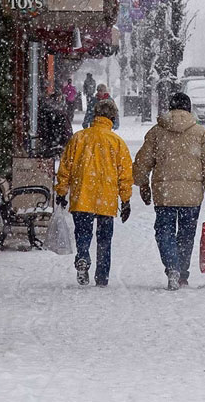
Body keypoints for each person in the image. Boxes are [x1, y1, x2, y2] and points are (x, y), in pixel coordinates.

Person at [133, 91, 205, 290]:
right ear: (189, 109)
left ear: (170, 108)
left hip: (165, 193)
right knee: (186, 235)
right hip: (191, 195)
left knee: (164, 232)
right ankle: (182, 274)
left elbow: (142, 162)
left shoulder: (156, 132)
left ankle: (172, 267)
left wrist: (143, 184)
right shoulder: (200, 133)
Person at [55, 98, 133, 287]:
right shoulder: (117, 142)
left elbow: (65, 167)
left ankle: (83, 257)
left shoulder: (79, 138)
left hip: (82, 195)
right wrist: (126, 199)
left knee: (83, 233)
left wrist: (61, 191)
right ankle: (102, 276)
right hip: (106, 197)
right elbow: (125, 174)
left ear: (95, 115)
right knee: (104, 238)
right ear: (112, 117)